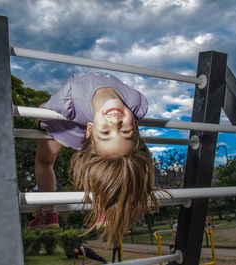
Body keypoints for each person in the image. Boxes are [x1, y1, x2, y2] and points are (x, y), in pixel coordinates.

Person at [28, 71, 162, 245]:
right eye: (125, 132)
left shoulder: (69, 97)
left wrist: (40, 114)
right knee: (111, 164)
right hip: (91, 133)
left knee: (44, 161)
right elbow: (116, 153)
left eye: (107, 133)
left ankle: (48, 211)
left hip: (69, 127)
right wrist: (105, 134)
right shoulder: (136, 102)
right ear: (135, 127)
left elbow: (41, 113)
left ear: (90, 130)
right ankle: (106, 203)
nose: (115, 123)